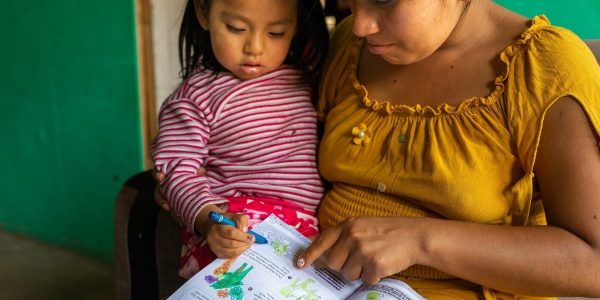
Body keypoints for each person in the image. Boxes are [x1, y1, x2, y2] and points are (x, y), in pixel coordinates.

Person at [156, 0, 600, 299]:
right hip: (305, 278)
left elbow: (593, 262)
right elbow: (283, 144)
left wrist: (420, 240)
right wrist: (194, 189)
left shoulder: (542, 67)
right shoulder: (352, 42)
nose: (361, 24)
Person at [150, 0, 329, 279]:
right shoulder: (194, 98)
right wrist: (209, 222)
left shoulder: (308, 76)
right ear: (203, 11)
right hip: (235, 228)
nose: (255, 47)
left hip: (305, 236)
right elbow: (177, 172)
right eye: (236, 28)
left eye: (276, 33)